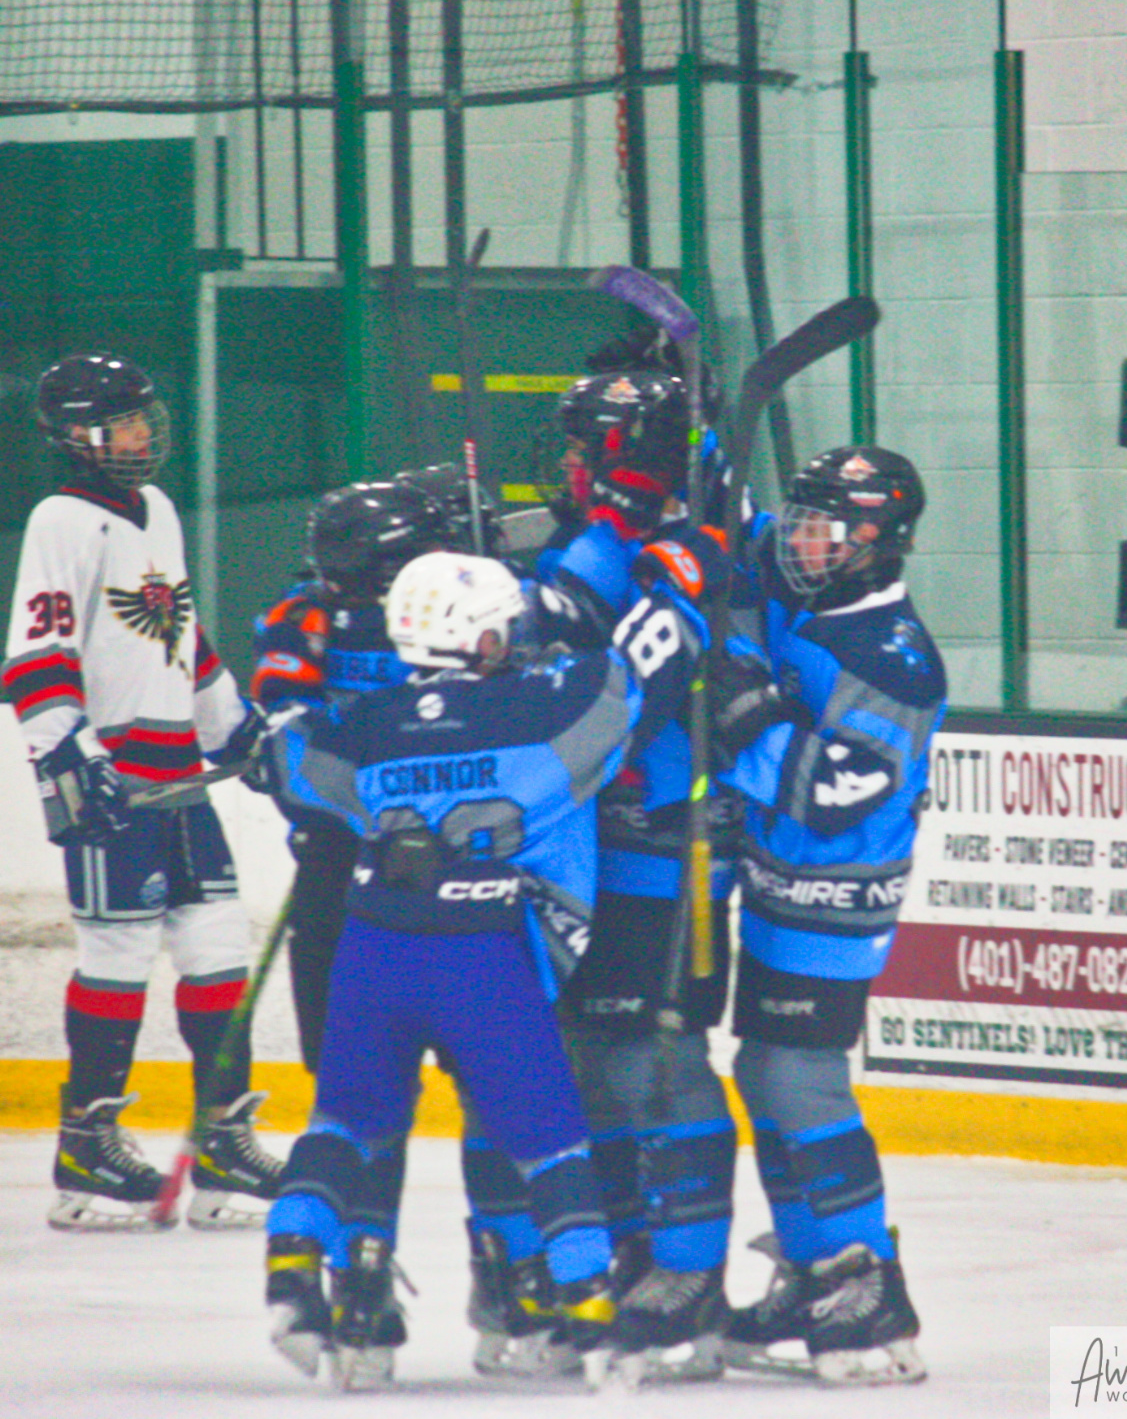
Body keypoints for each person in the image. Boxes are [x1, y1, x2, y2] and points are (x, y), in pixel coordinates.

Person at [253, 547, 707, 1390]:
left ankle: (291, 1279)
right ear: (486, 638)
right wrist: (678, 579)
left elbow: (285, 761)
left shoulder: (362, 721)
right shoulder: (549, 705)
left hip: (373, 944)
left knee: (342, 1125)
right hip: (484, 953)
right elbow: (654, 665)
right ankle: (592, 1317)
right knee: (550, 1140)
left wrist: (276, 709)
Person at [1, 352, 282, 1232]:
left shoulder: (156, 509)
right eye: (121, 423)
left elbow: (180, 635)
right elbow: (36, 653)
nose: (140, 435)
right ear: (76, 435)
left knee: (218, 943)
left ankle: (223, 1139)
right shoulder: (59, 518)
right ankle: (86, 1145)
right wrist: (67, 753)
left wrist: (234, 728)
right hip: (114, 778)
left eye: (142, 419)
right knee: (116, 953)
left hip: (180, 779)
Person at [524, 367, 745, 1384]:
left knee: (658, 1058)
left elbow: (622, 696)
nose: (569, 465)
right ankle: (629, 1250)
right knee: (587, 1052)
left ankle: (689, 1273)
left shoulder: (696, 546)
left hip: (671, 838)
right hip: (592, 842)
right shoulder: (610, 543)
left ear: (624, 459)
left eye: (586, 447)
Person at [711, 445, 944, 1386]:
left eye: (823, 529)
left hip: (839, 891)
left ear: (877, 541)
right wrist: (706, 438)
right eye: (801, 521)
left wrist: (743, 716)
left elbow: (829, 792)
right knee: (764, 1071)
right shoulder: (813, 589)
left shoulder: (894, 661)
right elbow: (741, 532)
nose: (799, 542)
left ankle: (866, 1286)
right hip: (779, 886)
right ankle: (814, 1275)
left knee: (799, 1078)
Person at [249, 479, 453, 1072]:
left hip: (441, 852)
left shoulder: (455, 611)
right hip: (341, 850)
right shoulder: (300, 617)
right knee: (343, 1058)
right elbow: (289, 734)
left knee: (471, 1053)